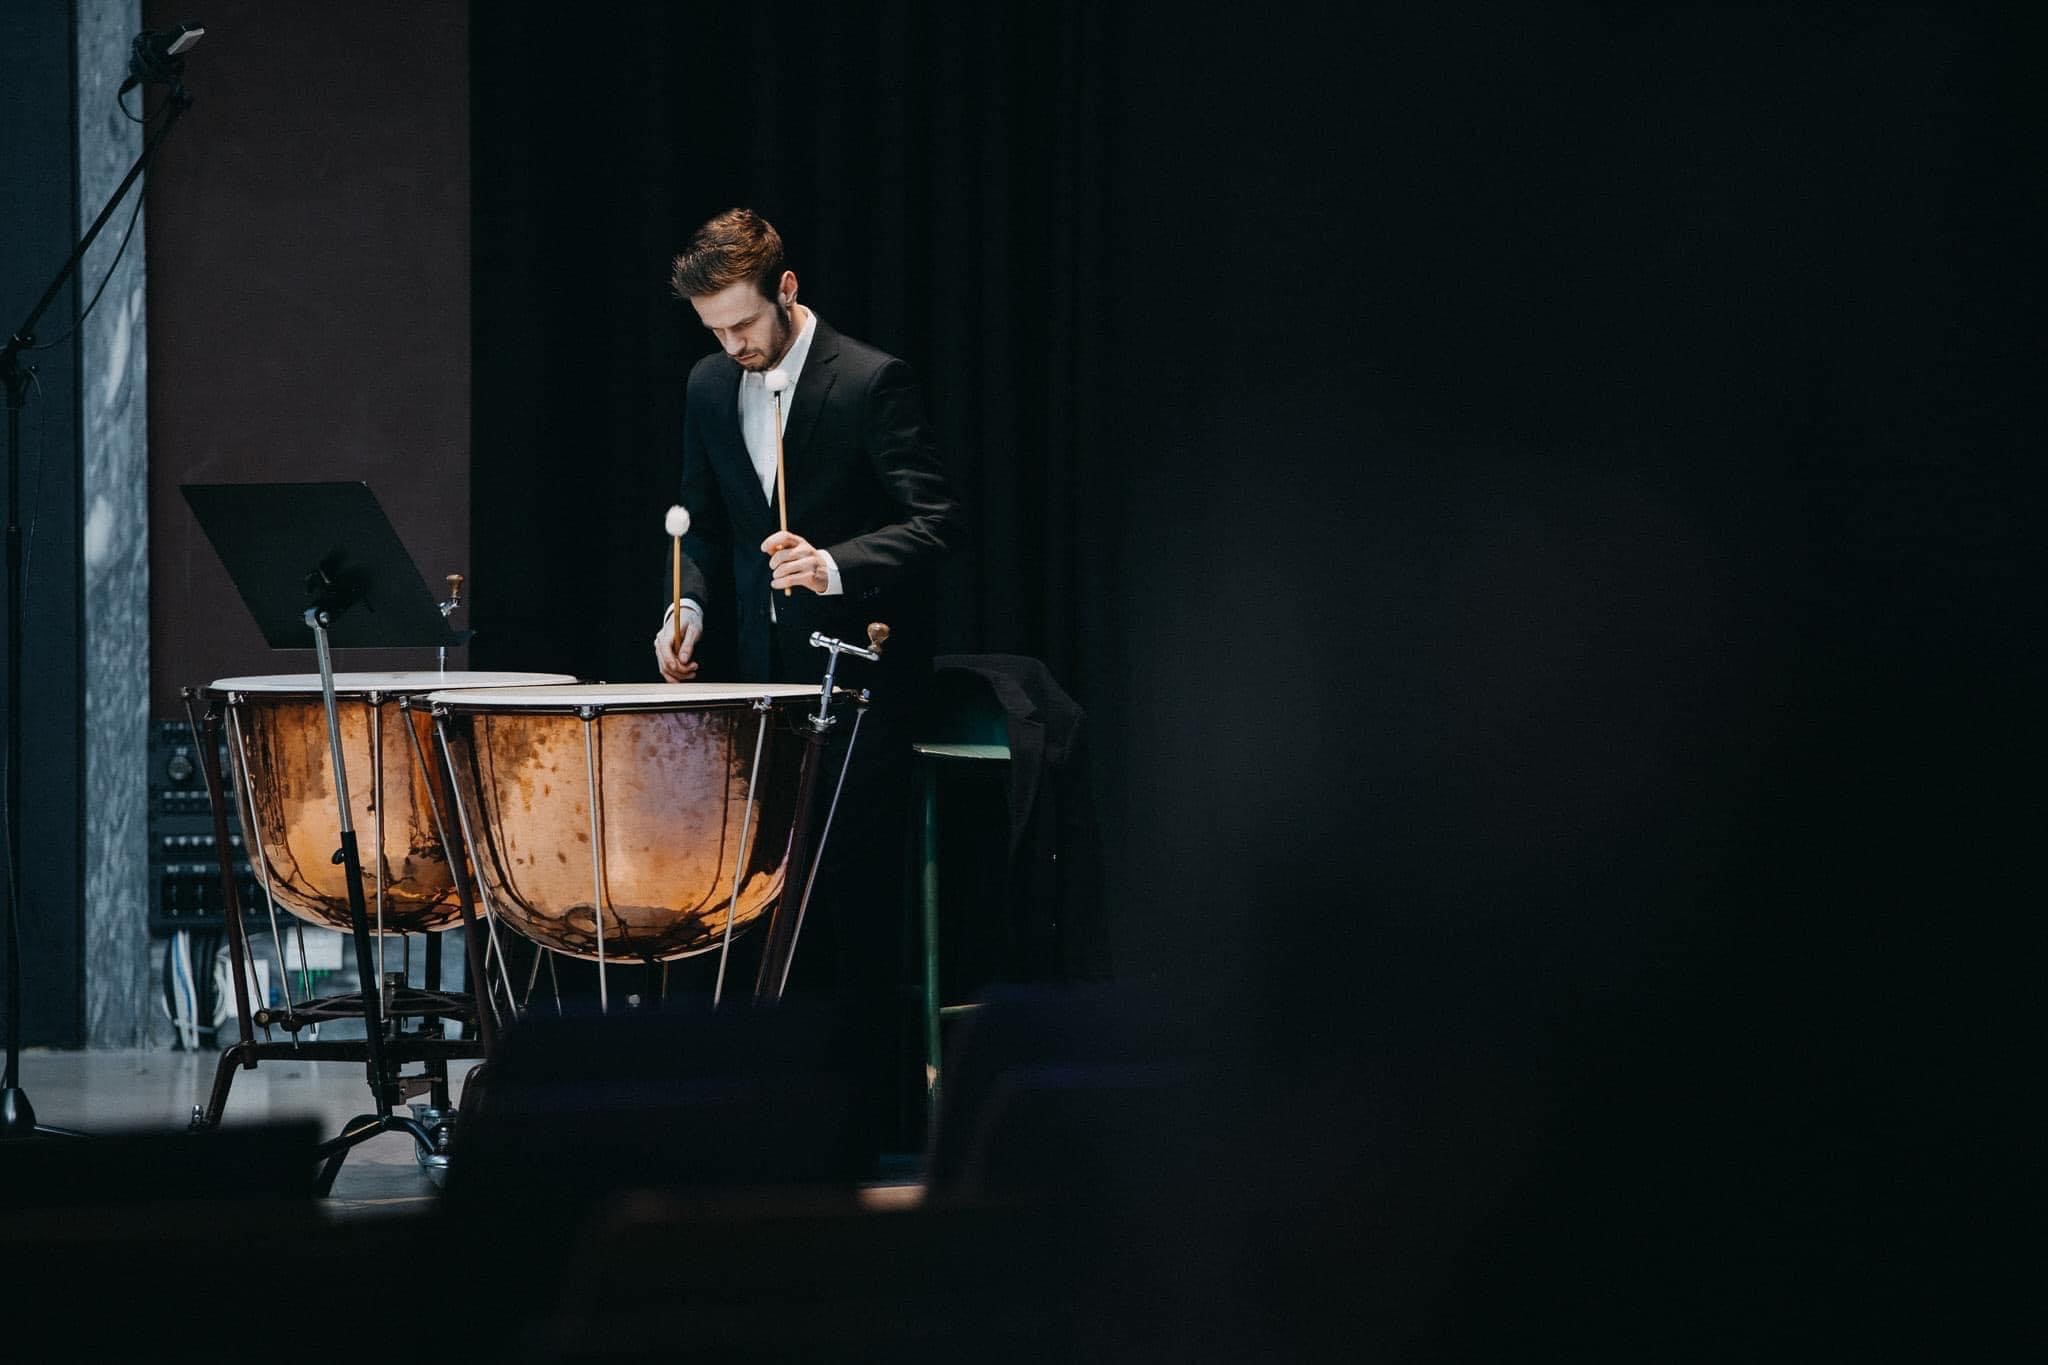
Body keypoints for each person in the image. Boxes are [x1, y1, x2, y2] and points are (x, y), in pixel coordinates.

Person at [652, 207, 964, 1160]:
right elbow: (699, 525)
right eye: (716, 330)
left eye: (743, 324)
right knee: (761, 904)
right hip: (760, 683)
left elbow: (937, 521)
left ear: (786, 291)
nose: (733, 344)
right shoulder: (711, 384)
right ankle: (780, 1117)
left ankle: (874, 1125)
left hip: (861, 682)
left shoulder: (869, 381)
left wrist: (833, 563)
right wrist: (689, 609)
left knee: (854, 907)